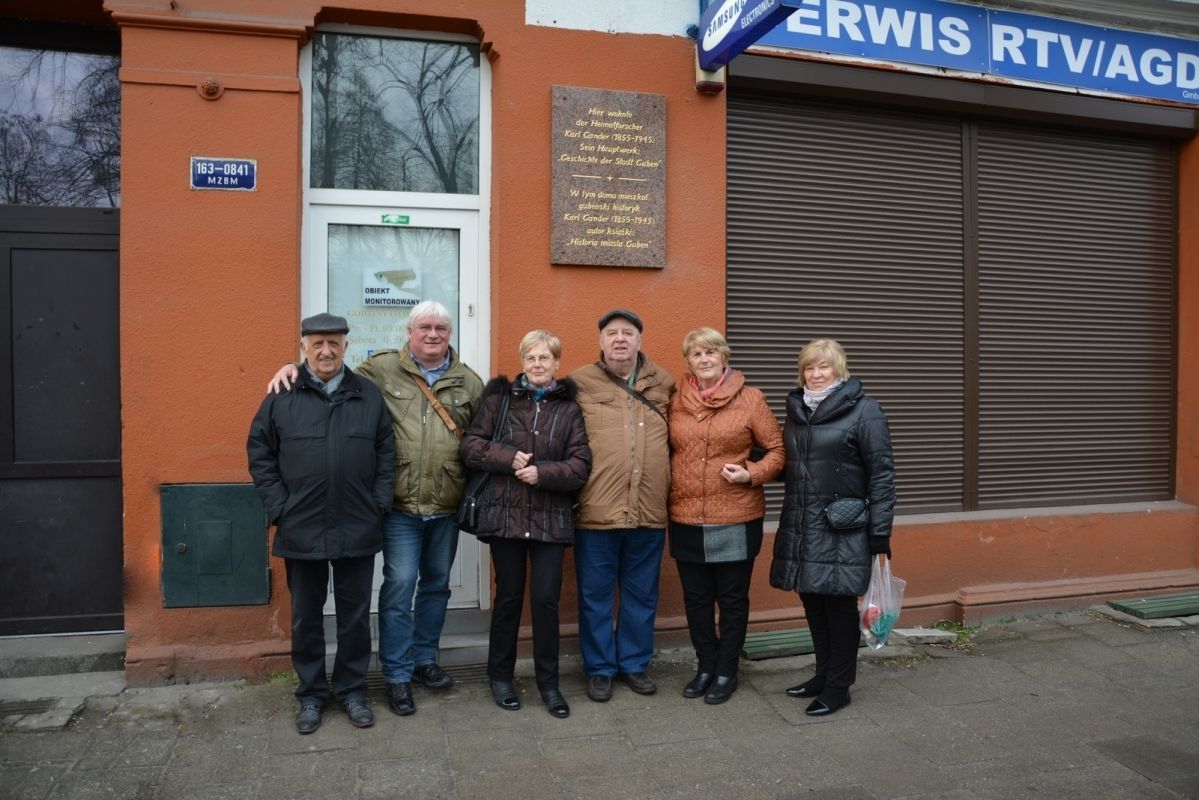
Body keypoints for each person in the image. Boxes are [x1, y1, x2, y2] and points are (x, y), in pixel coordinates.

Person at [268, 300, 484, 717]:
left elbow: (479, 437)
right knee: (400, 585)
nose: (433, 334)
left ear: (451, 334)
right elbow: (326, 368)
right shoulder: (381, 371)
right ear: (409, 332)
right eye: (424, 327)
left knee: (436, 585)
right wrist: (290, 366)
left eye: (441, 327)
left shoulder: (468, 381)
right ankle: (397, 675)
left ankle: (425, 660)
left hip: (444, 503)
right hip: (400, 506)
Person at [248, 313, 395, 734]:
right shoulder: (281, 394)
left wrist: (378, 503)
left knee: (354, 617)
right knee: (306, 618)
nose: (326, 351)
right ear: (303, 347)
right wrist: (280, 507)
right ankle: (311, 695)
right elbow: (260, 453)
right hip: (302, 527)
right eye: (317, 344)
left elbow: (387, 454)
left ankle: (351, 691)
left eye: (334, 343)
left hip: (357, 524)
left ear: (347, 346)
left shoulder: (368, 395)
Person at [460, 330, 592, 719]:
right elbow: (470, 446)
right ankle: (500, 677)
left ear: (556, 363)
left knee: (546, 601)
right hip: (505, 515)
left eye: (545, 358)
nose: (538, 365)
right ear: (522, 361)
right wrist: (509, 457)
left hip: (551, 519)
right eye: (531, 358)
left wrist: (544, 473)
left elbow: (581, 465)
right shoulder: (499, 400)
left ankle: (548, 685)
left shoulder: (569, 409)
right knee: (509, 599)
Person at [769, 338, 895, 716]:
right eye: (809, 367)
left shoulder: (865, 410)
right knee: (812, 601)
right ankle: (823, 674)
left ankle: (840, 686)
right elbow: (794, 465)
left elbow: (883, 474)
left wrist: (880, 531)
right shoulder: (796, 411)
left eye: (824, 366)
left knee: (839, 607)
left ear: (840, 369)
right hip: (803, 523)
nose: (816, 374)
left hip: (843, 527)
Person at [667, 327, 784, 705]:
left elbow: (778, 452)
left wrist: (752, 473)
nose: (703, 360)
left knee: (731, 599)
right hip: (685, 514)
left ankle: (726, 670)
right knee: (697, 599)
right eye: (696, 354)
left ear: (724, 357)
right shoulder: (674, 400)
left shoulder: (751, 399)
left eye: (710, 353)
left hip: (735, 514)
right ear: (688, 361)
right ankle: (705, 665)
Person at [570, 309, 675, 702]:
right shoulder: (579, 382)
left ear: (639, 341)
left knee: (642, 594)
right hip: (596, 511)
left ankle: (633, 664)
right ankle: (599, 668)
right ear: (600, 342)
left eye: (627, 333)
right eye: (612, 333)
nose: (620, 340)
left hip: (648, 510)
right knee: (595, 596)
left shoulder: (663, 383)